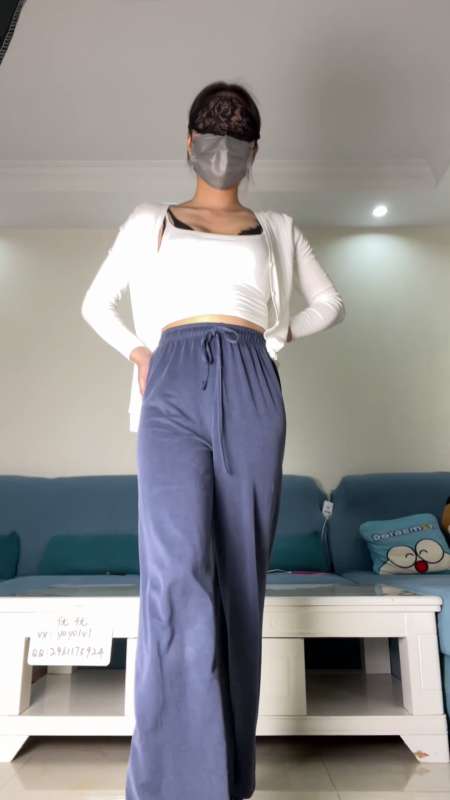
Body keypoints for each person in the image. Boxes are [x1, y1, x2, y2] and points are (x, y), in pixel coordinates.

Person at [81, 81, 346, 800]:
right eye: (213, 126)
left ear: (254, 148)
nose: (224, 142)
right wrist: (141, 353)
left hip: (252, 385)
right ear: (190, 140)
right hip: (170, 384)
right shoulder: (151, 221)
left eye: (238, 129)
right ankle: (172, 784)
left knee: (238, 581)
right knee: (175, 578)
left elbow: (330, 302)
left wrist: (274, 337)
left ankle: (226, 778)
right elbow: (96, 303)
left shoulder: (278, 228)